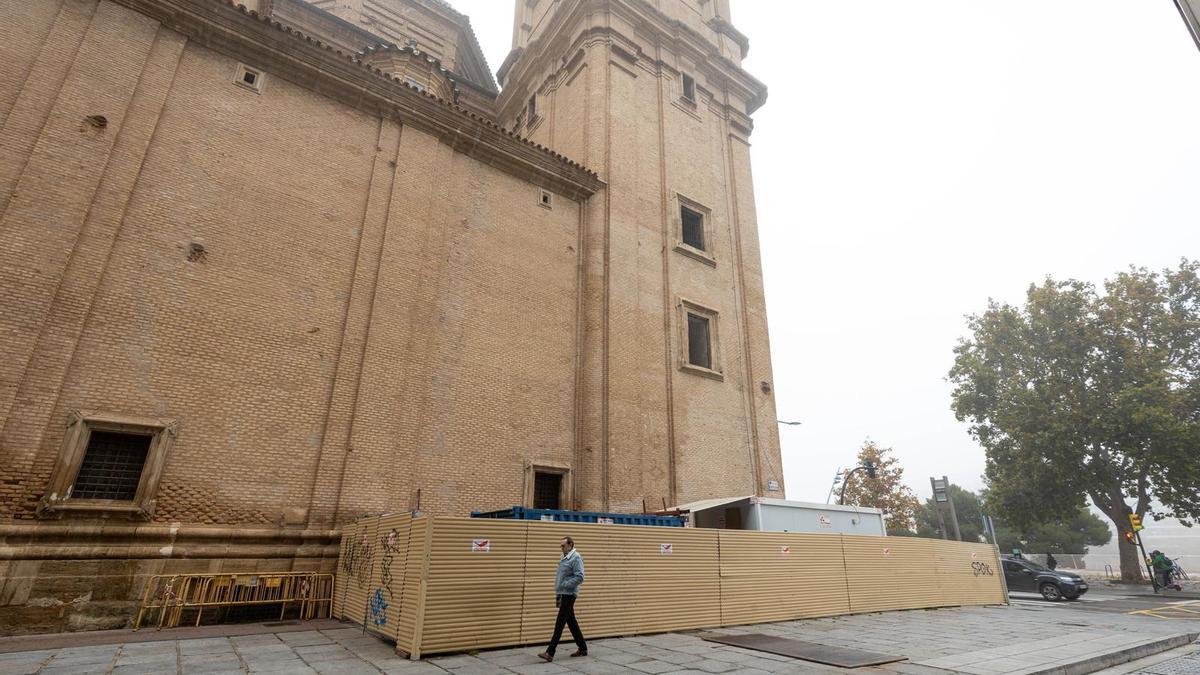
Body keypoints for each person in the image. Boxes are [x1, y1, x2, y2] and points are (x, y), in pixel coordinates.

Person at [538, 536, 587, 661]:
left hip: (569, 594)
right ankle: (582, 648)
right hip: (563, 593)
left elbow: (580, 577)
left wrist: (564, 585)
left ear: (570, 545)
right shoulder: (564, 557)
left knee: (560, 623)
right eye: (561, 546)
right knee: (571, 622)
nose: (561, 548)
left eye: (563, 545)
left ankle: (550, 652)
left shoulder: (575, 558)